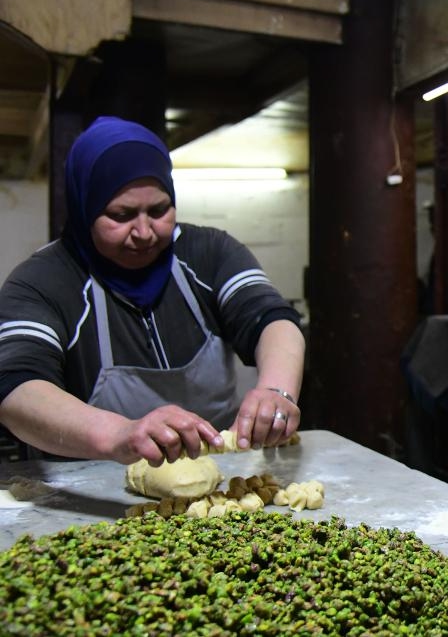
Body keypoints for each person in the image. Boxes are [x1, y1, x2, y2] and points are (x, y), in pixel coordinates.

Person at [0, 116, 305, 467]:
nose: (144, 232)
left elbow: (271, 318)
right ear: (85, 209)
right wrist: (119, 435)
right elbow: (15, 388)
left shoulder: (208, 254)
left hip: (220, 478)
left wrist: (275, 392)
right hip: (90, 487)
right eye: (121, 215)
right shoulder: (44, 281)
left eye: (159, 210)